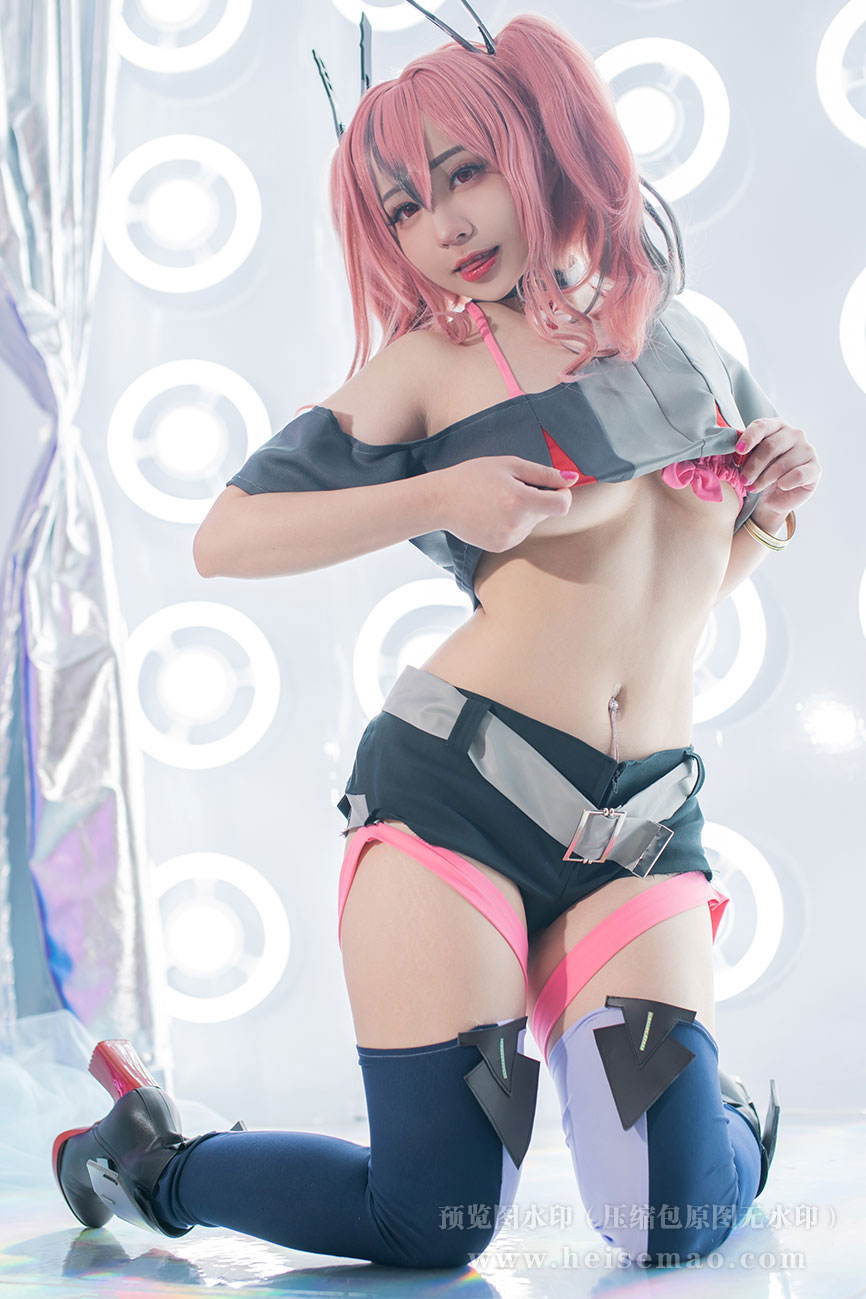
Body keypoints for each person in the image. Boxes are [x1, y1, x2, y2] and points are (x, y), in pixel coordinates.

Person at [53, 3, 820, 1272]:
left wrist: (772, 510)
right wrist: (434, 497)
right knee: (435, 1223)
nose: (443, 227)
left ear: (542, 146)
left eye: (464, 175)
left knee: (671, 1221)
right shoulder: (430, 363)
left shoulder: (689, 339)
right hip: (456, 805)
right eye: (405, 207)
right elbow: (227, 535)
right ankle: (149, 1161)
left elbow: (682, 589)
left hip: (636, 828)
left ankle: (713, 1121)